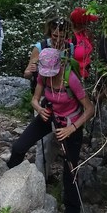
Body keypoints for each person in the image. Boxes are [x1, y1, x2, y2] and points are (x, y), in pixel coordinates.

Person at [8, 47, 95, 213]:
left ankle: (72, 212)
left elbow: (89, 109)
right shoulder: (43, 76)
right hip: (49, 116)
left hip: (72, 123)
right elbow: (34, 99)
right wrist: (40, 110)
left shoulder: (71, 80)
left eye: (51, 73)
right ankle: (9, 183)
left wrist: (71, 128)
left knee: (70, 168)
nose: (48, 76)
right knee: (19, 147)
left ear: (59, 66)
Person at [23, 17, 74, 178]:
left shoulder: (70, 48)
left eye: (61, 36)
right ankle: (40, 180)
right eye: (54, 36)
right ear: (50, 33)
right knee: (43, 142)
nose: (57, 40)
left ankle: (47, 174)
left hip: (65, 101)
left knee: (56, 141)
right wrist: (30, 70)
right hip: (44, 98)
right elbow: (26, 74)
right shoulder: (40, 47)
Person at [69, 7, 98, 80]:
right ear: (81, 23)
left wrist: (90, 39)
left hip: (85, 76)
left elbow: (90, 50)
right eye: (87, 22)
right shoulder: (69, 38)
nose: (89, 23)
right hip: (73, 77)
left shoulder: (84, 34)